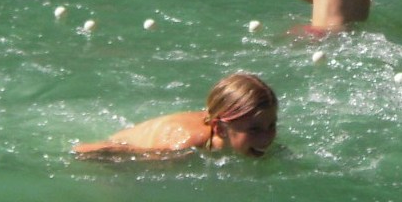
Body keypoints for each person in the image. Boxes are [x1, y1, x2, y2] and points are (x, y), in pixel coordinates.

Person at [74, 73, 277, 159]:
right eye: (254, 130)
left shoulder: (238, 127)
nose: (267, 138)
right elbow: (97, 151)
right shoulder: (182, 147)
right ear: (220, 129)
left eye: (272, 125)